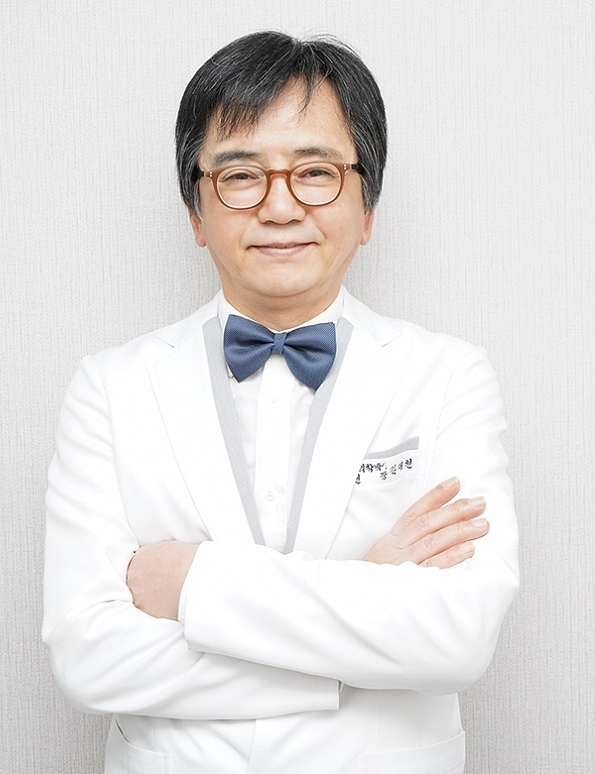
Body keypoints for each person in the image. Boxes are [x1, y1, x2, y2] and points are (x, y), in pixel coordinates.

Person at [43, 31, 519, 774]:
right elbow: (89, 659)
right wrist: (366, 602)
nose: (279, 206)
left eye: (316, 173)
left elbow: (458, 637)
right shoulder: (109, 387)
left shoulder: (449, 376)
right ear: (196, 212)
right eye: (240, 176)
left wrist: (193, 581)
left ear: (367, 208)